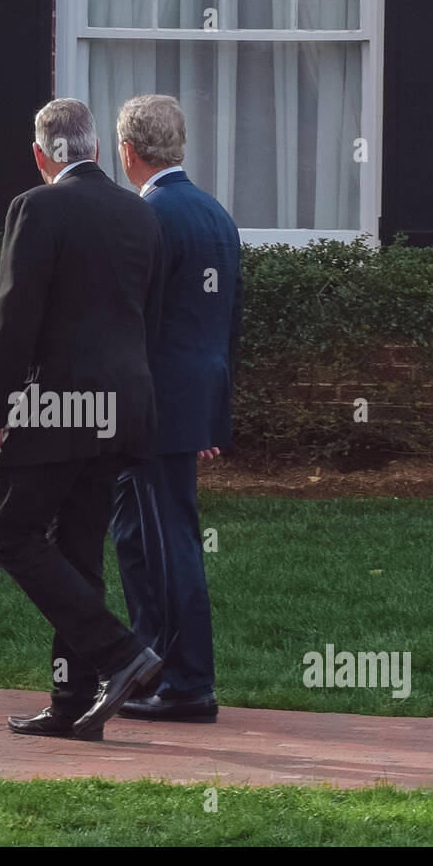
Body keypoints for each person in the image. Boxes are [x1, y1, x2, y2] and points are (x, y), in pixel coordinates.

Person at [0, 98, 166, 740]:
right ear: (99, 152)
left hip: (57, 407)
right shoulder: (139, 215)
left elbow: (15, 317)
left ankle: (120, 655)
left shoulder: (36, 207)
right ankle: (70, 702)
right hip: (124, 407)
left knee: (13, 536)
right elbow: (146, 317)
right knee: (78, 552)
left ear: (40, 155)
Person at [109, 94, 243, 723]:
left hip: (151, 411)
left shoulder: (147, 216)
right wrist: (211, 415)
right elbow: (222, 326)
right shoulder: (215, 214)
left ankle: (187, 684)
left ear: (128, 151)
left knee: (165, 544)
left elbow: (135, 324)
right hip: (186, 405)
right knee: (143, 536)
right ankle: (151, 667)